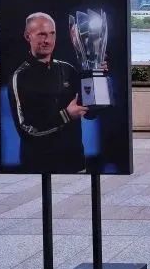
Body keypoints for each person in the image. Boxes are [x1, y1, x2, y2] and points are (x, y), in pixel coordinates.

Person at [7, 12, 89, 173]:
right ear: (27, 36)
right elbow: (26, 129)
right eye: (42, 34)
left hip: (75, 161)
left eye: (52, 34)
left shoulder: (68, 69)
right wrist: (66, 115)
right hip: (38, 164)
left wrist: (96, 73)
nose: (48, 40)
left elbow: (90, 111)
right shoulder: (20, 76)